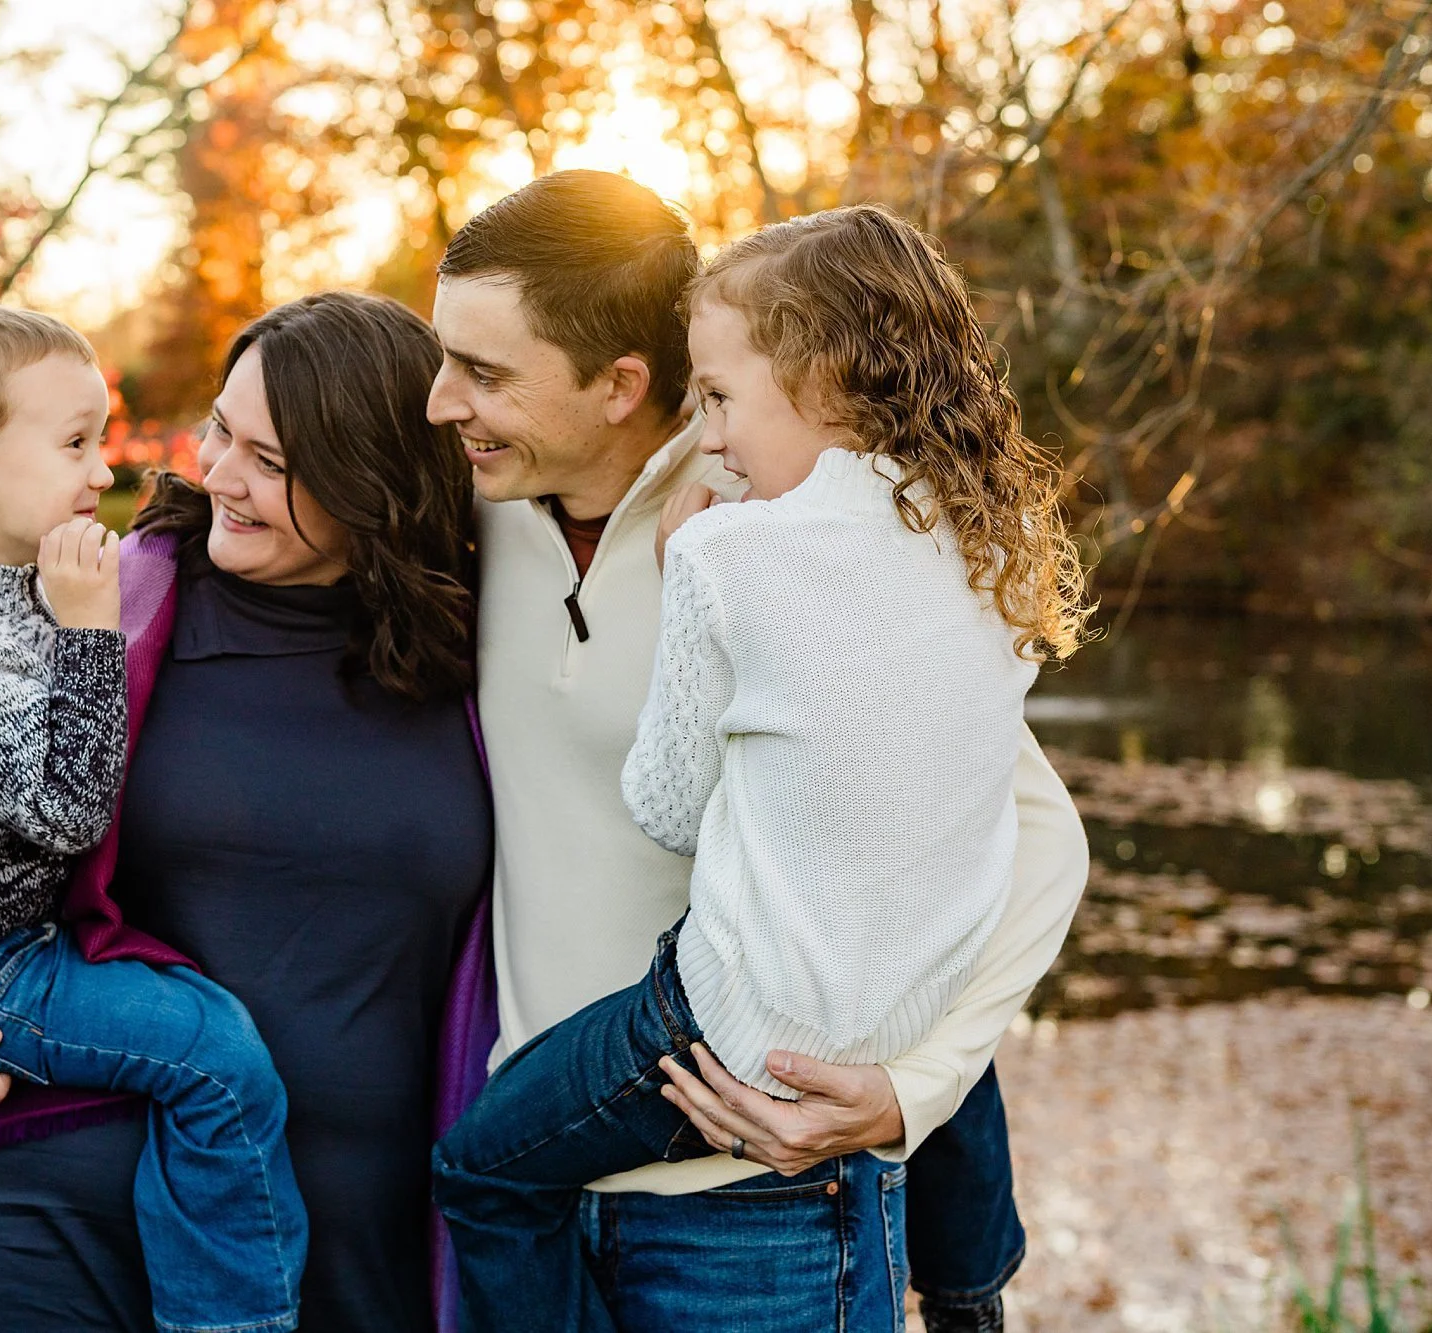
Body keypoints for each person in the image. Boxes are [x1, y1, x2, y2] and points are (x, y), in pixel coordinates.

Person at [425, 171, 1089, 1332]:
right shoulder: (470, 506)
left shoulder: (777, 526)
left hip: (762, 1202)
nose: (440, 403)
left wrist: (908, 1094)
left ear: (623, 384)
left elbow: (1029, 842)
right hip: (546, 1166)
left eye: (483, 372)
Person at [0, 292, 495, 1332]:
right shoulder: (119, 599)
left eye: (273, 461)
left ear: (371, 475)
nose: (219, 475)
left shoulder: (478, 648)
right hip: (44, 1217)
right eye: (220, 429)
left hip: (354, 1245)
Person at [0, 301, 307, 1333]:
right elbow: (63, 808)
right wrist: (92, 631)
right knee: (217, 1060)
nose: (104, 471)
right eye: (76, 444)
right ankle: (232, 1320)